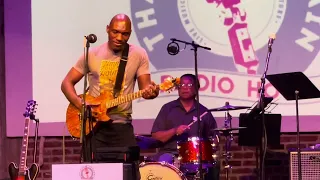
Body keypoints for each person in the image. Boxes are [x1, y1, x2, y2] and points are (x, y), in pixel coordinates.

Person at [61, 13, 159, 179]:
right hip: (94, 129)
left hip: (122, 126)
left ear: (130, 33)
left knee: (131, 175)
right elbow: (66, 84)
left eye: (125, 34)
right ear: (107, 29)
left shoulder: (139, 54)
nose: (119, 37)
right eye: (115, 32)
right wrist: (81, 105)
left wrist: (153, 92)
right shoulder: (92, 54)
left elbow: (146, 88)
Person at [151, 73, 220, 179]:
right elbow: (156, 135)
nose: (185, 88)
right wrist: (174, 131)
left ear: (196, 88)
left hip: (195, 157)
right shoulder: (167, 109)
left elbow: (214, 138)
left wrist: (213, 143)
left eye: (189, 85)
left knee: (213, 166)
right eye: (182, 85)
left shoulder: (204, 112)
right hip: (170, 153)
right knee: (162, 165)